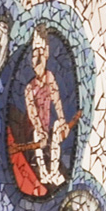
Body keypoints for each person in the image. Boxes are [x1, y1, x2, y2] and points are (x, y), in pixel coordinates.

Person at [24, 26, 68, 193]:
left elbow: (56, 100)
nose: (38, 58)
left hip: (47, 126)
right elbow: (32, 113)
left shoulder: (50, 78)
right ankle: (43, 172)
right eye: (35, 53)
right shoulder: (29, 88)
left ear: (47, 53)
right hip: (33, 129)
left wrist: (62, 121)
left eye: (41, 52)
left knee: (57, 127)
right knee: (37, 135)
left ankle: (53, 171)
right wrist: (39, 129)